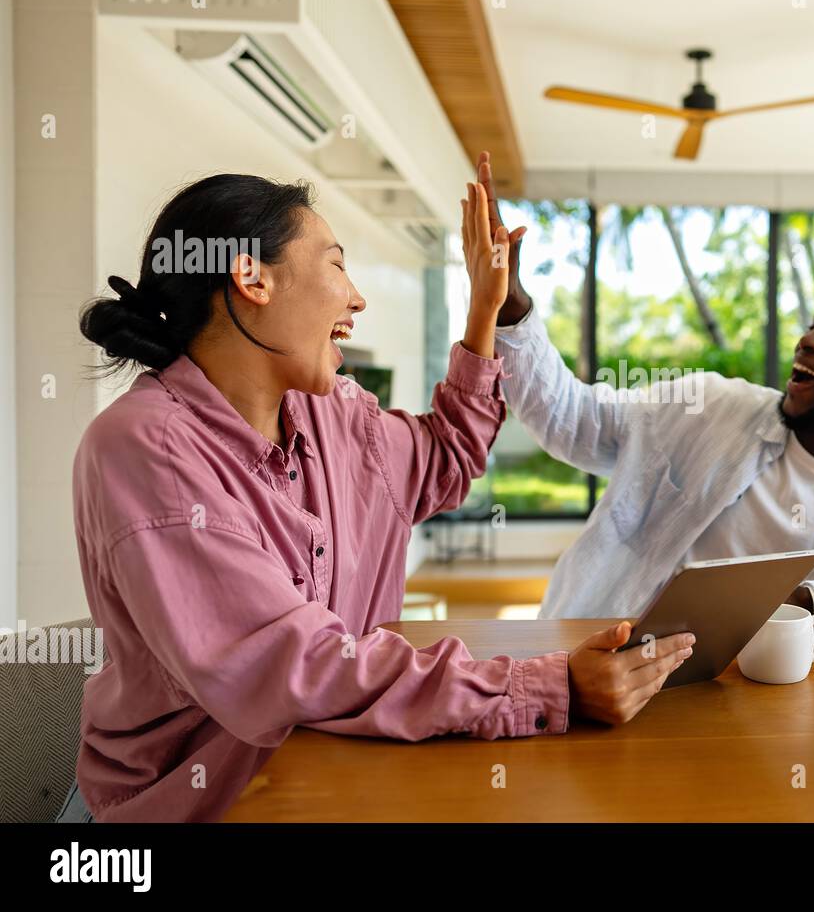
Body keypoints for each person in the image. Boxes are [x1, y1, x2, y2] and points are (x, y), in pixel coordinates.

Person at [67, 174, 693, 822]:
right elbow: (295, 667)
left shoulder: (330, 413)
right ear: (253, 279)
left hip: (328, 769)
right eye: (337, 264)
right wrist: (546, 684)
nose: (358, 298)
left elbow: (446, 459)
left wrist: (485, 311)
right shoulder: (146, 449)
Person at [473, 152, 814, 645]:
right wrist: (511, 305)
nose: (809, 340)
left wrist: (810, 603)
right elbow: (573, 421)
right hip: (608, 662)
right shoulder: (707, 406)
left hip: (774, 704)